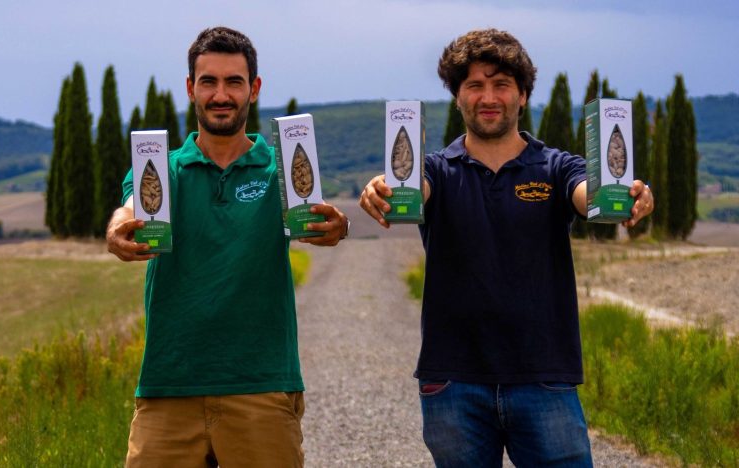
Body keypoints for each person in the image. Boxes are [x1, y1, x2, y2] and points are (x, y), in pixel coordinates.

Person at [359, 29, 654, 467]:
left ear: (522, 95)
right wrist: (384, 189)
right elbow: (410, 190)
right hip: (454, 382)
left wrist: (627, 194)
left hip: (545, 379)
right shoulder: (435, 171)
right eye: (474, 85)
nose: (488, 96)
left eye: (501, 85)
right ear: (458, 97)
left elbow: (588, 192)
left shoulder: (557, 166)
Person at [106, 26, 349, 467]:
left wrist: (338, 225)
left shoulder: (279, 168)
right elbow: (131, 205)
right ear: (190, 89)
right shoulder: (161, 166)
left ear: (254, 89)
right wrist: (119, 226)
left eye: (234, 82)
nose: (221, 94)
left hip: (262, 386)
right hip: (169, 389)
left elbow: (318, 212)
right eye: (209, 82)